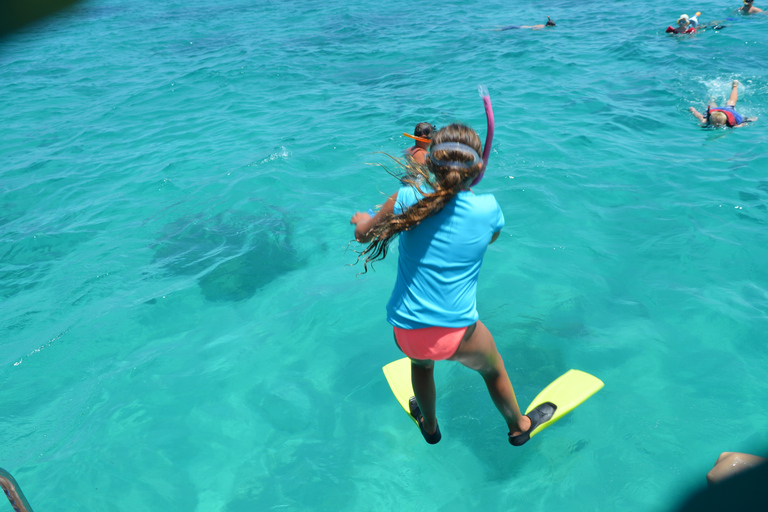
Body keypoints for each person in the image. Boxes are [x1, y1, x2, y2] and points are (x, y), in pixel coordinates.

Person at [350, 124, 555, 446]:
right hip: (458, 335)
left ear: (431, 163)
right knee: (493, 369)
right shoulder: (488, 209)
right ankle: (519, 427)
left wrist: (360, 218)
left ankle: (430, 427)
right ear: (479, 169)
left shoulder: (405, 198)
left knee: (421, 366)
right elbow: (489, 237)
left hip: (407, 332)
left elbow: (364, 234)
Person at [689, 80, 758, 128]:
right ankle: (735, 86)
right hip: (716, 110)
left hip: (728, 111)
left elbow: (743, 123)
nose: (716, 125)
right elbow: (697, 115)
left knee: (730, 102)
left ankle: (734, 86)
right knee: (729, 103)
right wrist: (693, 110)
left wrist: (750, 120)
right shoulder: (706, 120)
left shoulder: (733, 124)